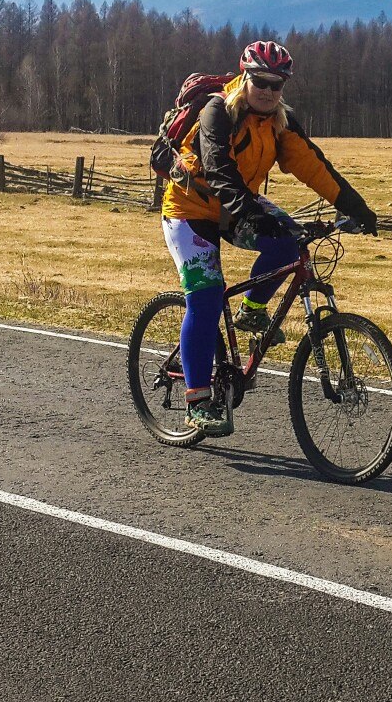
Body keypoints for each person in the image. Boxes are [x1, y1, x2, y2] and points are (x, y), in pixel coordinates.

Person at [160, 41, 377, 436]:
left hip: (236, 205)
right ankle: (197, 400)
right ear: (244, 77)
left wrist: (356, 206)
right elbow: (219, 171)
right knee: (206, 297)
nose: (268, 91)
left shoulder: (280, 121)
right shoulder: (217, 112)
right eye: (260, 82)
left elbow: (313, 166)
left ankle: (251, 311)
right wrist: (254, 217)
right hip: (190, 210)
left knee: (291, 242)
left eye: (277, 85)